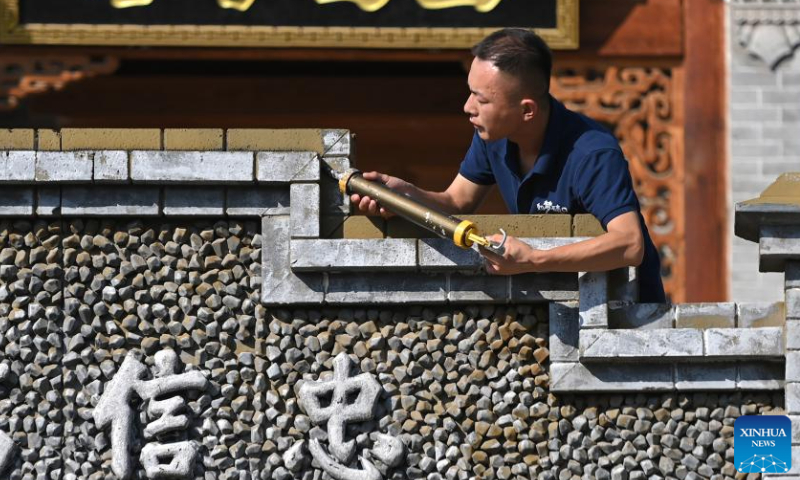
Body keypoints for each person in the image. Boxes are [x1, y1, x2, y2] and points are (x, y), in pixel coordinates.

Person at [351, 28, 666, 303]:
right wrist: (406, 196)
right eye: (470, 93)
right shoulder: (493, 137)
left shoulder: (592, 153)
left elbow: (630, 244)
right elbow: (457, 202)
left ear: (526, 110)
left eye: (482, 100)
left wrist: (533, 259)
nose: (467, 107)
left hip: (628, 314)